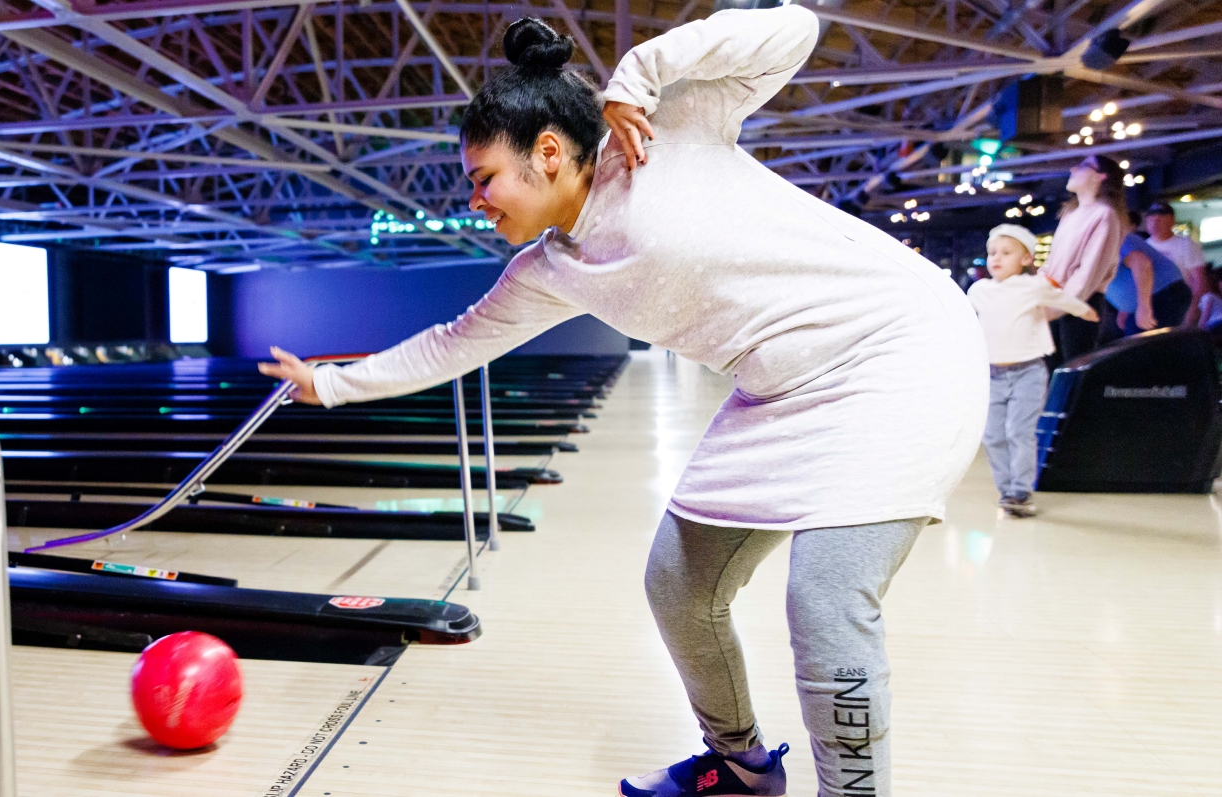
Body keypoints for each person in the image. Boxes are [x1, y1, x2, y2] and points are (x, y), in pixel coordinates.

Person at [258, 8, 986, 797]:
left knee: (825, 597)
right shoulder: (550, 268)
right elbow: (450, 343)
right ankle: (739, 765)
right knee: (678, 585)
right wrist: (327, 383)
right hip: (782, 391)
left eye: (483, 178)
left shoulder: (667, 129)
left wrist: (643, 69)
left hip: (899, 351)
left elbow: (795, 28)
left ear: (545, 152)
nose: (475, 199)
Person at [966, 225, 1096, 518]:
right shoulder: (980, 290)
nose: (996, 258)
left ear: (1025, 259)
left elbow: (1061, 299)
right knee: (992, 435)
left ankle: (1020, 491)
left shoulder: (1033, 286)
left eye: (1006, 253)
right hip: (991, 375)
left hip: (1028, 372)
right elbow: (961, 316)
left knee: (1019, 431)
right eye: (992, 252)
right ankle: (1007, 489)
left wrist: (1083, 311)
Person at [1039, 155, 1126, 365]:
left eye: (1083, 165)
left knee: (1073, 370)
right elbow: (1051, 265)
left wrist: (1059, 306)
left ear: (1101, 176)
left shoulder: (1104, 215)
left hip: (1080, 302)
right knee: (1053, 370)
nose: (1073, 168)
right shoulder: (1070, 215)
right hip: (1058, 299)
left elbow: (1088, 273)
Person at [1100, 211, 1189, 343]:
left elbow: (1141, 263)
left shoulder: (1110, 239)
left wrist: (1144, 306)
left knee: (1144, 352)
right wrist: (1126, 309)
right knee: (1142, 350)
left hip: (1162, 294)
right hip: (1155, 297)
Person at [1141, 202, 1209, 325]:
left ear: (1172, 221)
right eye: (1152, 220)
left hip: (1179, 307)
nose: (1155, 224)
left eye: (1160, 220)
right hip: (1152, 308)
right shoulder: (1143, 247)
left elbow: (1199, 281)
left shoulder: (1186, 245)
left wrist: (1193, 308)